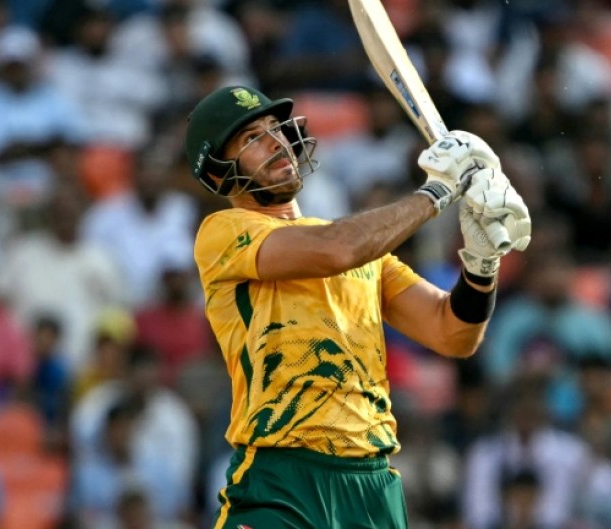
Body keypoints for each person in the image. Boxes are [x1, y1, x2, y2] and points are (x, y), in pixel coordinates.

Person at [186, 85, 531, 528]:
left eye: (276, 128)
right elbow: (336, 248)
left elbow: (453, 333)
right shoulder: (224, 232)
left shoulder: (366, 251)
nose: (275, 141)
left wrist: (482, 262)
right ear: (218, 174)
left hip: (372, 485)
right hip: (282, 478)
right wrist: (438, 192)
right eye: (252, 137)